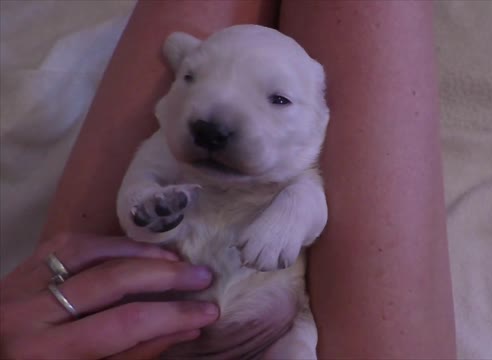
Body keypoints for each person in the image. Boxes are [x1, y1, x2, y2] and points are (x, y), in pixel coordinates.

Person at [0, 1, 456, 359]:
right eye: (193, 77)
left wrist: (148, 209)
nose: (215, 124)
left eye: (277, 99)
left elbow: (305, 201)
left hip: (229, 332)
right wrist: (145, 203)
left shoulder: (292, 174)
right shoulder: (169, 145)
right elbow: (139, 203)